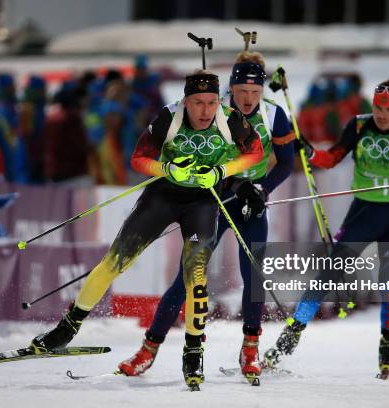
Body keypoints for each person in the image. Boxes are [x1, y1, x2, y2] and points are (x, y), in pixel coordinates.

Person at [29, 69, 263, 388]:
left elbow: (255, 152)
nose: (206, 111)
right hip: (162, 197)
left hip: (203, 203)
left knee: (195, 278)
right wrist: (165, 168)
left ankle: (193, 354)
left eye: (210, 103)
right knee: (113, 263)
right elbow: (138, 159)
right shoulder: (168, 117)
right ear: (185, 101)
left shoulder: (229, 118)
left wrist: (224, 170)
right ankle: (66, 329)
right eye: (197, 103)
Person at [116, 51, 296, 381]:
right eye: (242, 92)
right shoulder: (216, 111)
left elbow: (287, 162)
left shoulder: (274, 115)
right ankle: (148, 349)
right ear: (231, 88)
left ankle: (250, 349)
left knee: (253, 276)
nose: (248, 99)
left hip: (251, 204)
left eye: (255, 93)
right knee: (188, 276)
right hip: (213, 200)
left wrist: (263, 190)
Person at [262, 80, 389, 377]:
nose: (381, 114)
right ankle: (289, 338)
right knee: (326, 276)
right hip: (362, 216)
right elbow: (331, 159)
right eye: (378, 107)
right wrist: (311, 153)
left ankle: (388, 346)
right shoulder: (358, 126)